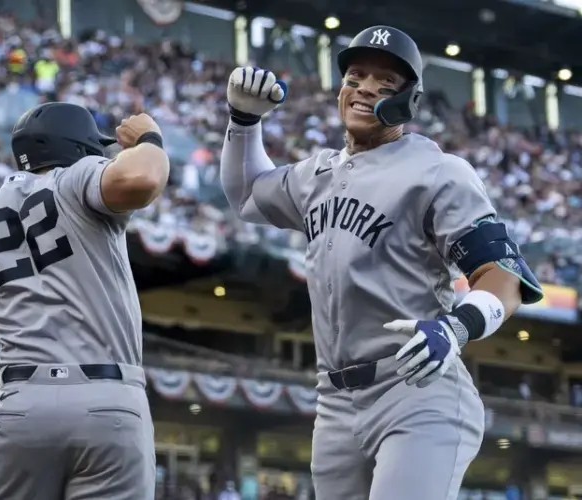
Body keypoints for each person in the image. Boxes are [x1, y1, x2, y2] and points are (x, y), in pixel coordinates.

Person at [219, 26, 544, 500]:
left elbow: (503, 277)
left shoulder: (439, 171)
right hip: (335, 402)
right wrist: (244, 122)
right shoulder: (317, 173)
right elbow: (246, 193)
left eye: (386, 83)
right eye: (356, 75)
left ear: (410, 100)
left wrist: (457, 327)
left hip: (416, 390)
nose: (366, 87)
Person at [0, 102, 169, 499]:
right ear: (78, 149)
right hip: (108, 400)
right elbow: (144, 177)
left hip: (22, 409)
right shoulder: (77, 177)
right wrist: (150, 138)